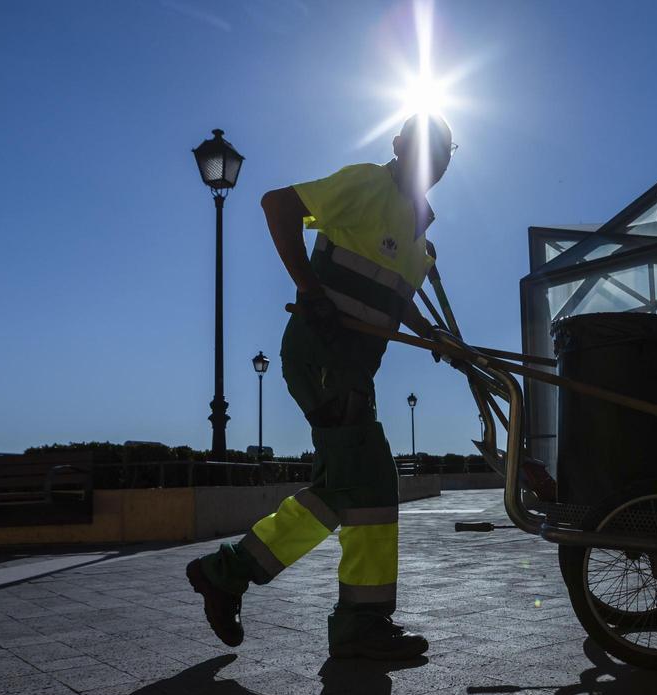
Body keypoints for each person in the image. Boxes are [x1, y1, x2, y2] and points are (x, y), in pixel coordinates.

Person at [186, 114, 456, 660]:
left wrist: (436, 338)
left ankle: (335, 611)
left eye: (444, 153)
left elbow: (394, 300)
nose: (434, 161)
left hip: (355, 370)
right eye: (426, 149)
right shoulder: (367, 184)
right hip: (322, 354)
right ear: (399, 147)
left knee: (362, 488)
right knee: (366, 481)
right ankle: (341, 616)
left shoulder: (419, 227)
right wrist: (310, 291)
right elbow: (277, 204)